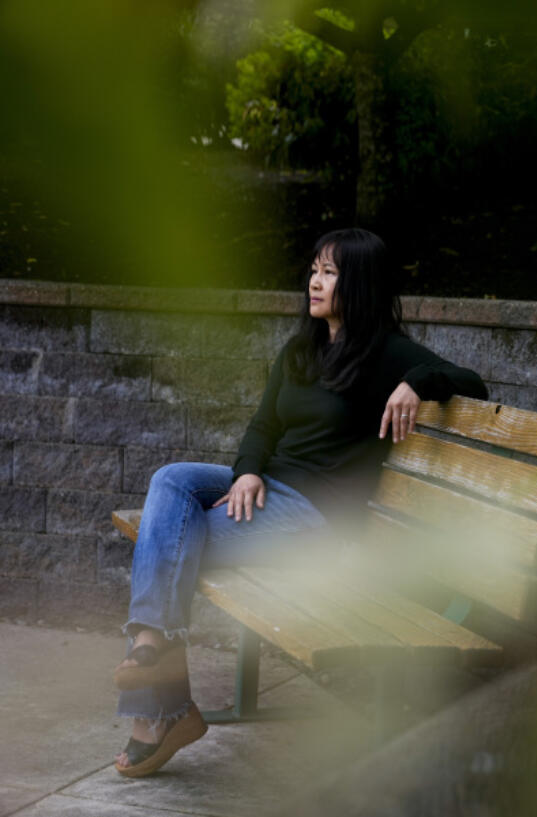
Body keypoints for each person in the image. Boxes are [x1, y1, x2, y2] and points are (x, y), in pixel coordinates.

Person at [111, 228, 488, 777]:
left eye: (330, 272)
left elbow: (472, 383)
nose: (314, 280)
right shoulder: (301, 350)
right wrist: (245, 473)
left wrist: (416, 382)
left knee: (163, 539)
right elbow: (263, 425)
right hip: (270, 493)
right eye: (314, 268)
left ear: (357, 284)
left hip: (315, 518)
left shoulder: (387, 352)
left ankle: (159, 705)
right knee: (171, 480)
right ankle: (155, 651)